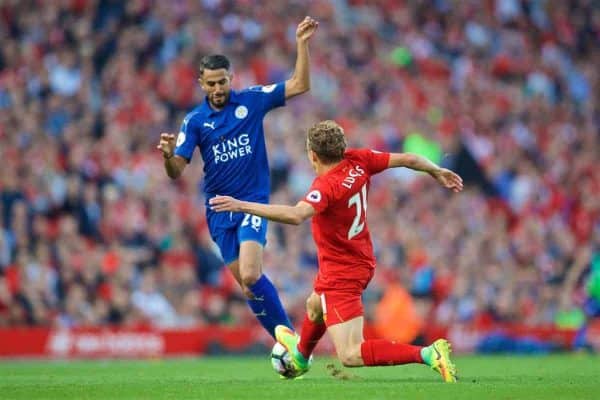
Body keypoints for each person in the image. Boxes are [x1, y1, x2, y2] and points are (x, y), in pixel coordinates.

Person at [209, 120, 463, 382]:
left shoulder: (325, 186)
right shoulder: (359, 159)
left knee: (351, 354)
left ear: (313, 155)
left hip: (343, 271)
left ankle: (429, 354)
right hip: (359, 258)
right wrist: (436, 170)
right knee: (315, 305)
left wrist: (242, 206)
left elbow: (296, 215)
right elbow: (409, 158)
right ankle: (299, 358)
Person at [156, 17, 319, 339]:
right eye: (211, 83)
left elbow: (300, 84)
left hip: (251, 203)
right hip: (218, 212)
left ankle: (289, 341)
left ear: (231, 78)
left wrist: (301, 44)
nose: (218, 89)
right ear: (201, 84)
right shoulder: (195, 121)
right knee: (248, 287)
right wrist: (166, 155)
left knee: (250, 272)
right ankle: (289, 344)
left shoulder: (252, 100)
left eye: (222, 81)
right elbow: (177, 171)